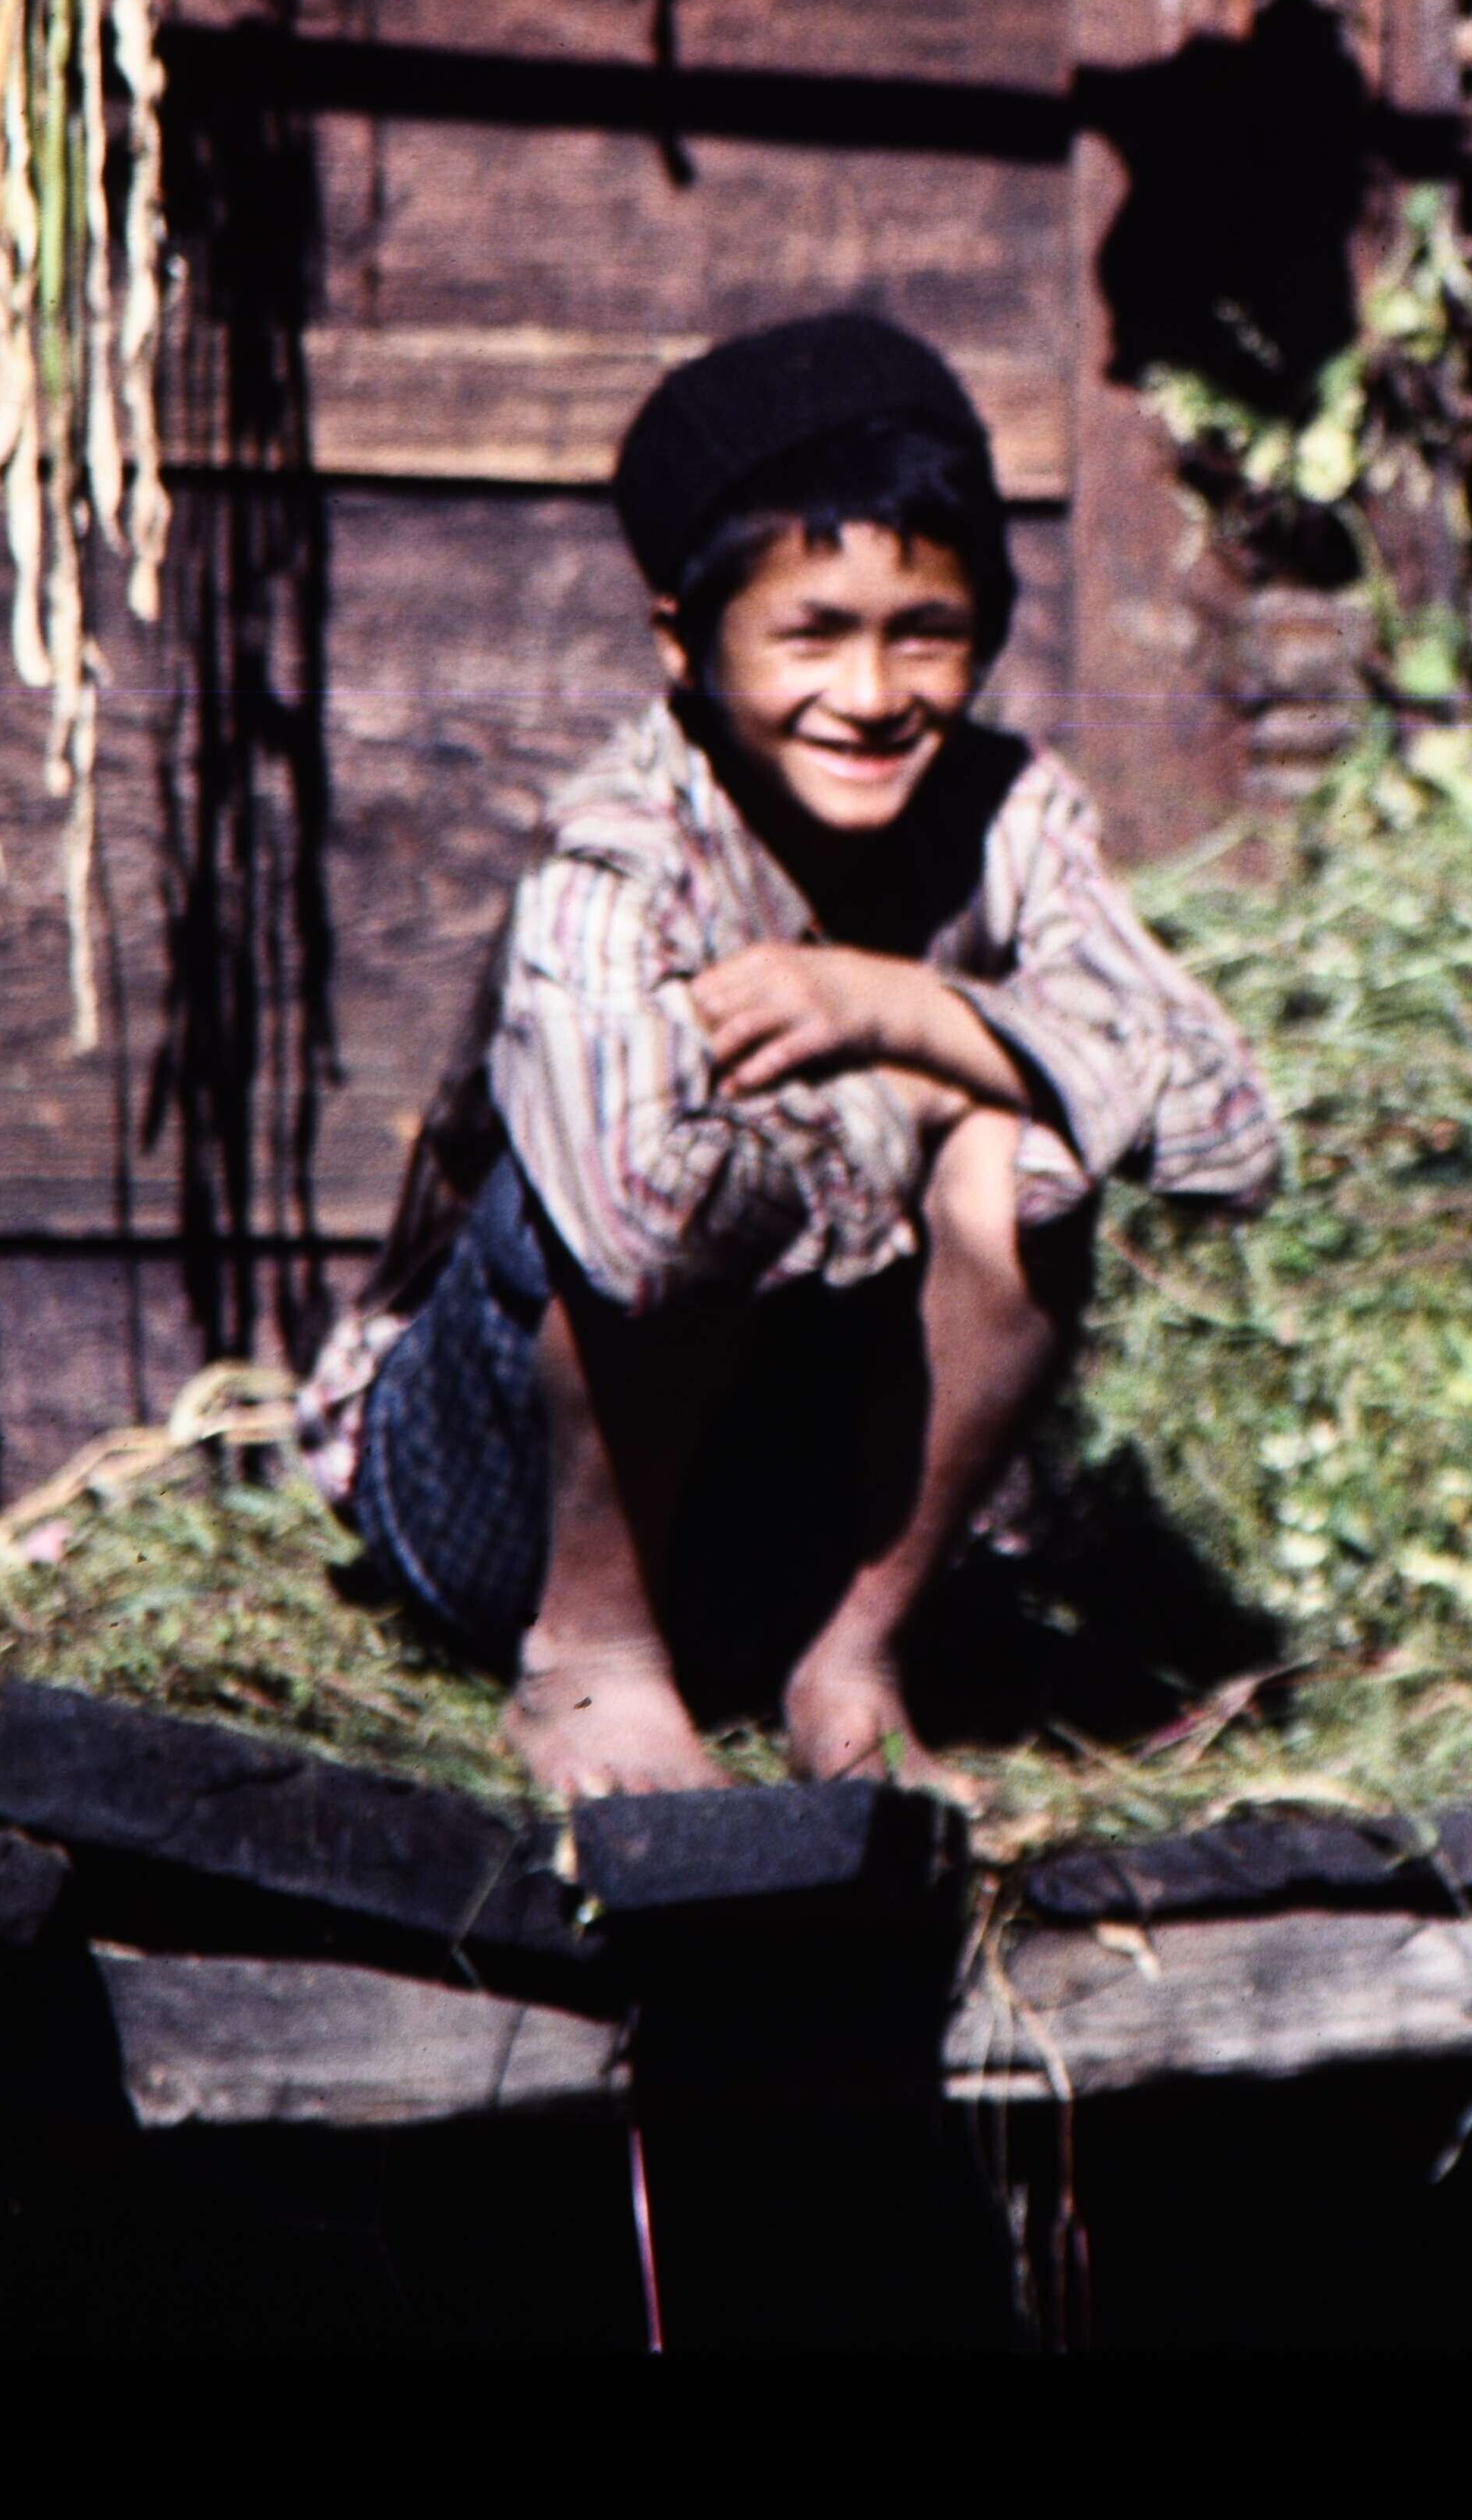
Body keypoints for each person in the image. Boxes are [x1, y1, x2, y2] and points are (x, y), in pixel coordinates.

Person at [295, 315, 1279, 1801]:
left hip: (788, 1521)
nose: (872, 695)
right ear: (685, 645)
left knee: (1024, 1157)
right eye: (810, 636)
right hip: (503, 1504)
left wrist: (907, 1014)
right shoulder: (621, 856)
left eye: (923, 633)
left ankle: (851, 1666)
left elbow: (1231, 1129)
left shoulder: (1009, 814)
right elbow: (635, 1219)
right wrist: (919, 1099)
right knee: (663, 1164)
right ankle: (591, 1670)